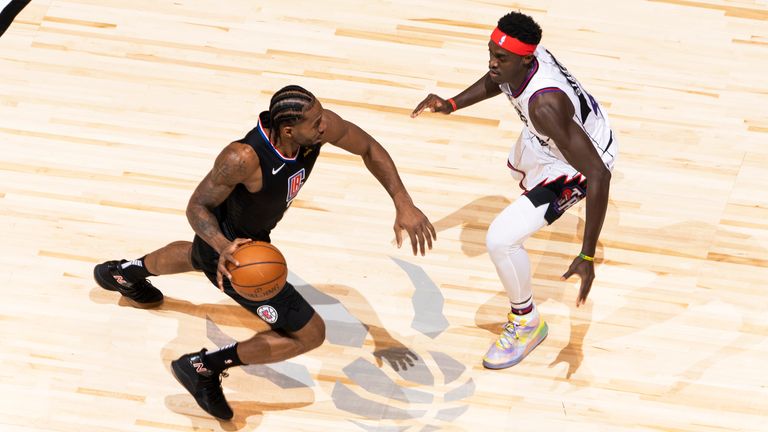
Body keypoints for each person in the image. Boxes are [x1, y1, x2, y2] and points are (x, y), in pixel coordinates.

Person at [94, 85, 437, 420]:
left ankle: (123, 272)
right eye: (316, 122)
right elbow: (197, 207)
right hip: (232, 252)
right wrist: (224, 247)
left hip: (252, 234)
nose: (325, 125)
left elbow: (369, 148)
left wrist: (403, 203)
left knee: (193, 255)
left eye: (322, 117)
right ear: (288, 130)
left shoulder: (317, 129)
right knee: (310, 333)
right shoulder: (242, 157)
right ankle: (202, 368)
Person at [411, 11, 617, 370]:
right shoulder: (524, 60)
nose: (492, 63)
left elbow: (598, 174)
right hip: (562, 138)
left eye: (500, 58)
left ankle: (527, 323)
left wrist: (587, 256)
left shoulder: (545, 107)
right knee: (516, 166)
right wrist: (452, 104)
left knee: (500, 239)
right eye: (490, 53)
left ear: (525, 60)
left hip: (579, 164)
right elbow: (501, 79)